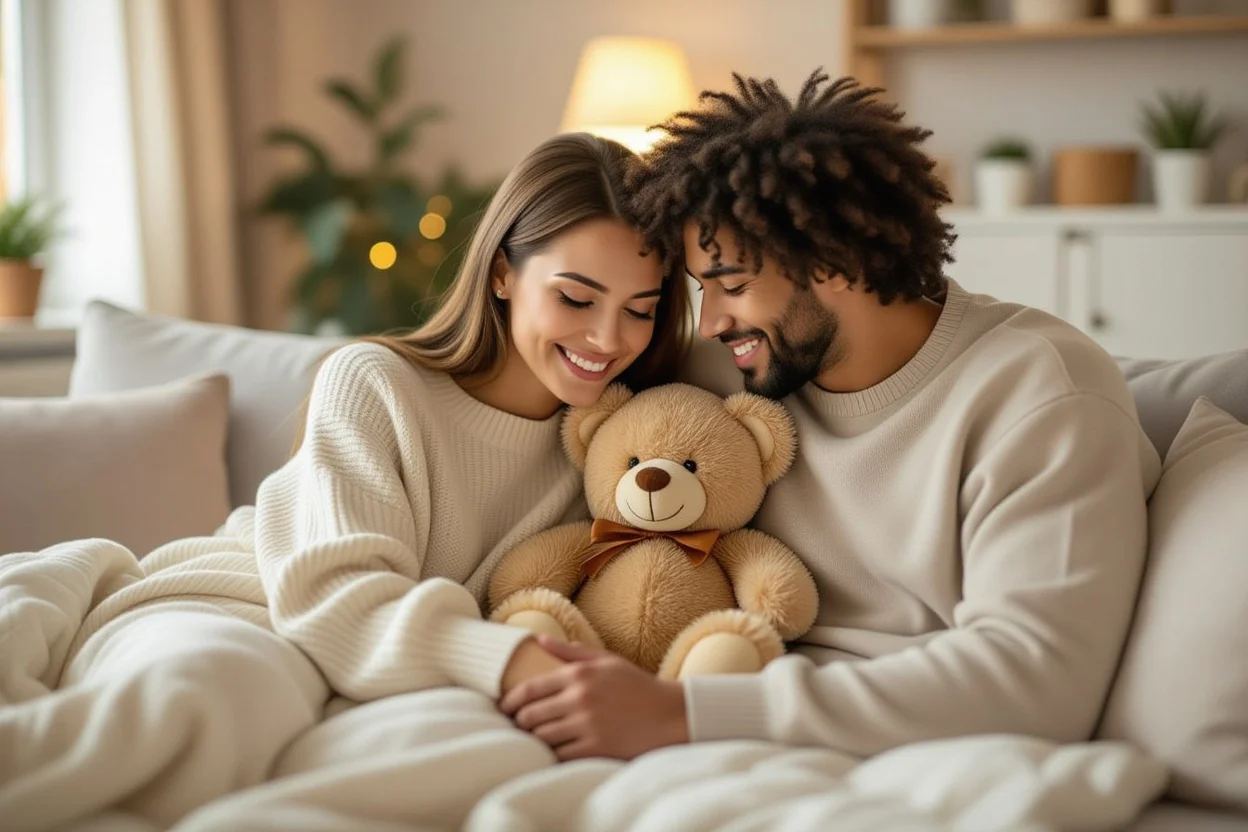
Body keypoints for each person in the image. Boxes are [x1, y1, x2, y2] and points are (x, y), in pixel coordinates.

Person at [0, 132, 690, 829]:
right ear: (502, 274)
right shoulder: (377, 382)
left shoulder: (624, 446)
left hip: (404, 671)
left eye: (640, 309)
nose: (608, 339)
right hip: (253, 605)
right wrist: (521, 666)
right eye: (576, 298)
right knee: (209, 696)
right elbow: (335, 595)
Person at [500, 70, 1161, 763]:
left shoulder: (1040, 393)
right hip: (716, 711)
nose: (713, 322)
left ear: (837, 263)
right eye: (703, 289)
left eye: (733, 285)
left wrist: (689, 713)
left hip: (896, 753)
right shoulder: (725, 378)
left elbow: (1040, 683)